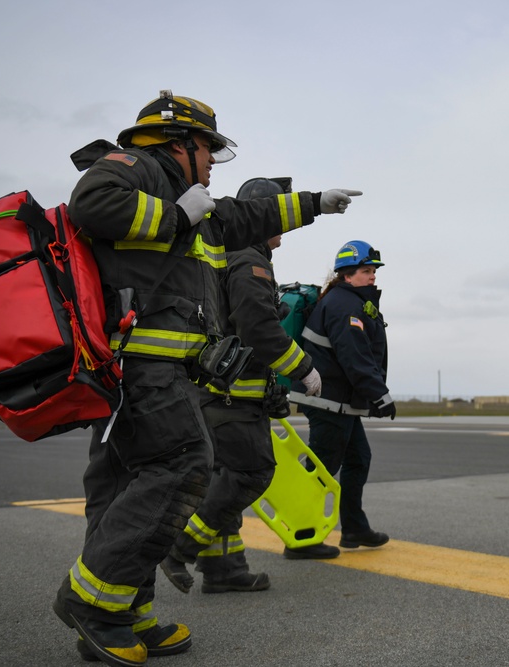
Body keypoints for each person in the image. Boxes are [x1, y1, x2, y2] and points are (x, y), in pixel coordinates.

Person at [52, 90, 361, 666]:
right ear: (181, 143)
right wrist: (176, 216)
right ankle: (90, 601)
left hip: (147, 367)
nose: (213, 162)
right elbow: (91, 203)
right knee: (184, 463)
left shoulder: (184, 192)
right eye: (209, 150)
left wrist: (315, 202)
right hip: (143, 362)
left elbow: (244, 216)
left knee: (122, 488)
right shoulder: (137, 167)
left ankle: (125, 612)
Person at [160, 177, 340, 598]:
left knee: (226, 477)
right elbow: (257, 324)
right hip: (232, 397)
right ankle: (180, 547)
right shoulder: (247, 258)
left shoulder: (237, 254)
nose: (281, 223)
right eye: (275, 213)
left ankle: (224, 568)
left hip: (224, 392)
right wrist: (303, 368)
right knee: (250, 475)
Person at [290, 240, 394, 555]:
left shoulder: (349, 300)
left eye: (374, 270)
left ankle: (353, 528)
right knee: (322, 467)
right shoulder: (343, 304)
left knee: (357, 459)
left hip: (340, 402)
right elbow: (354, 356)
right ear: (347, 275)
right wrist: (380, 395)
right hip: (326, 400)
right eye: (366, 271)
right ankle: (302, 535)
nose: (373, 276)